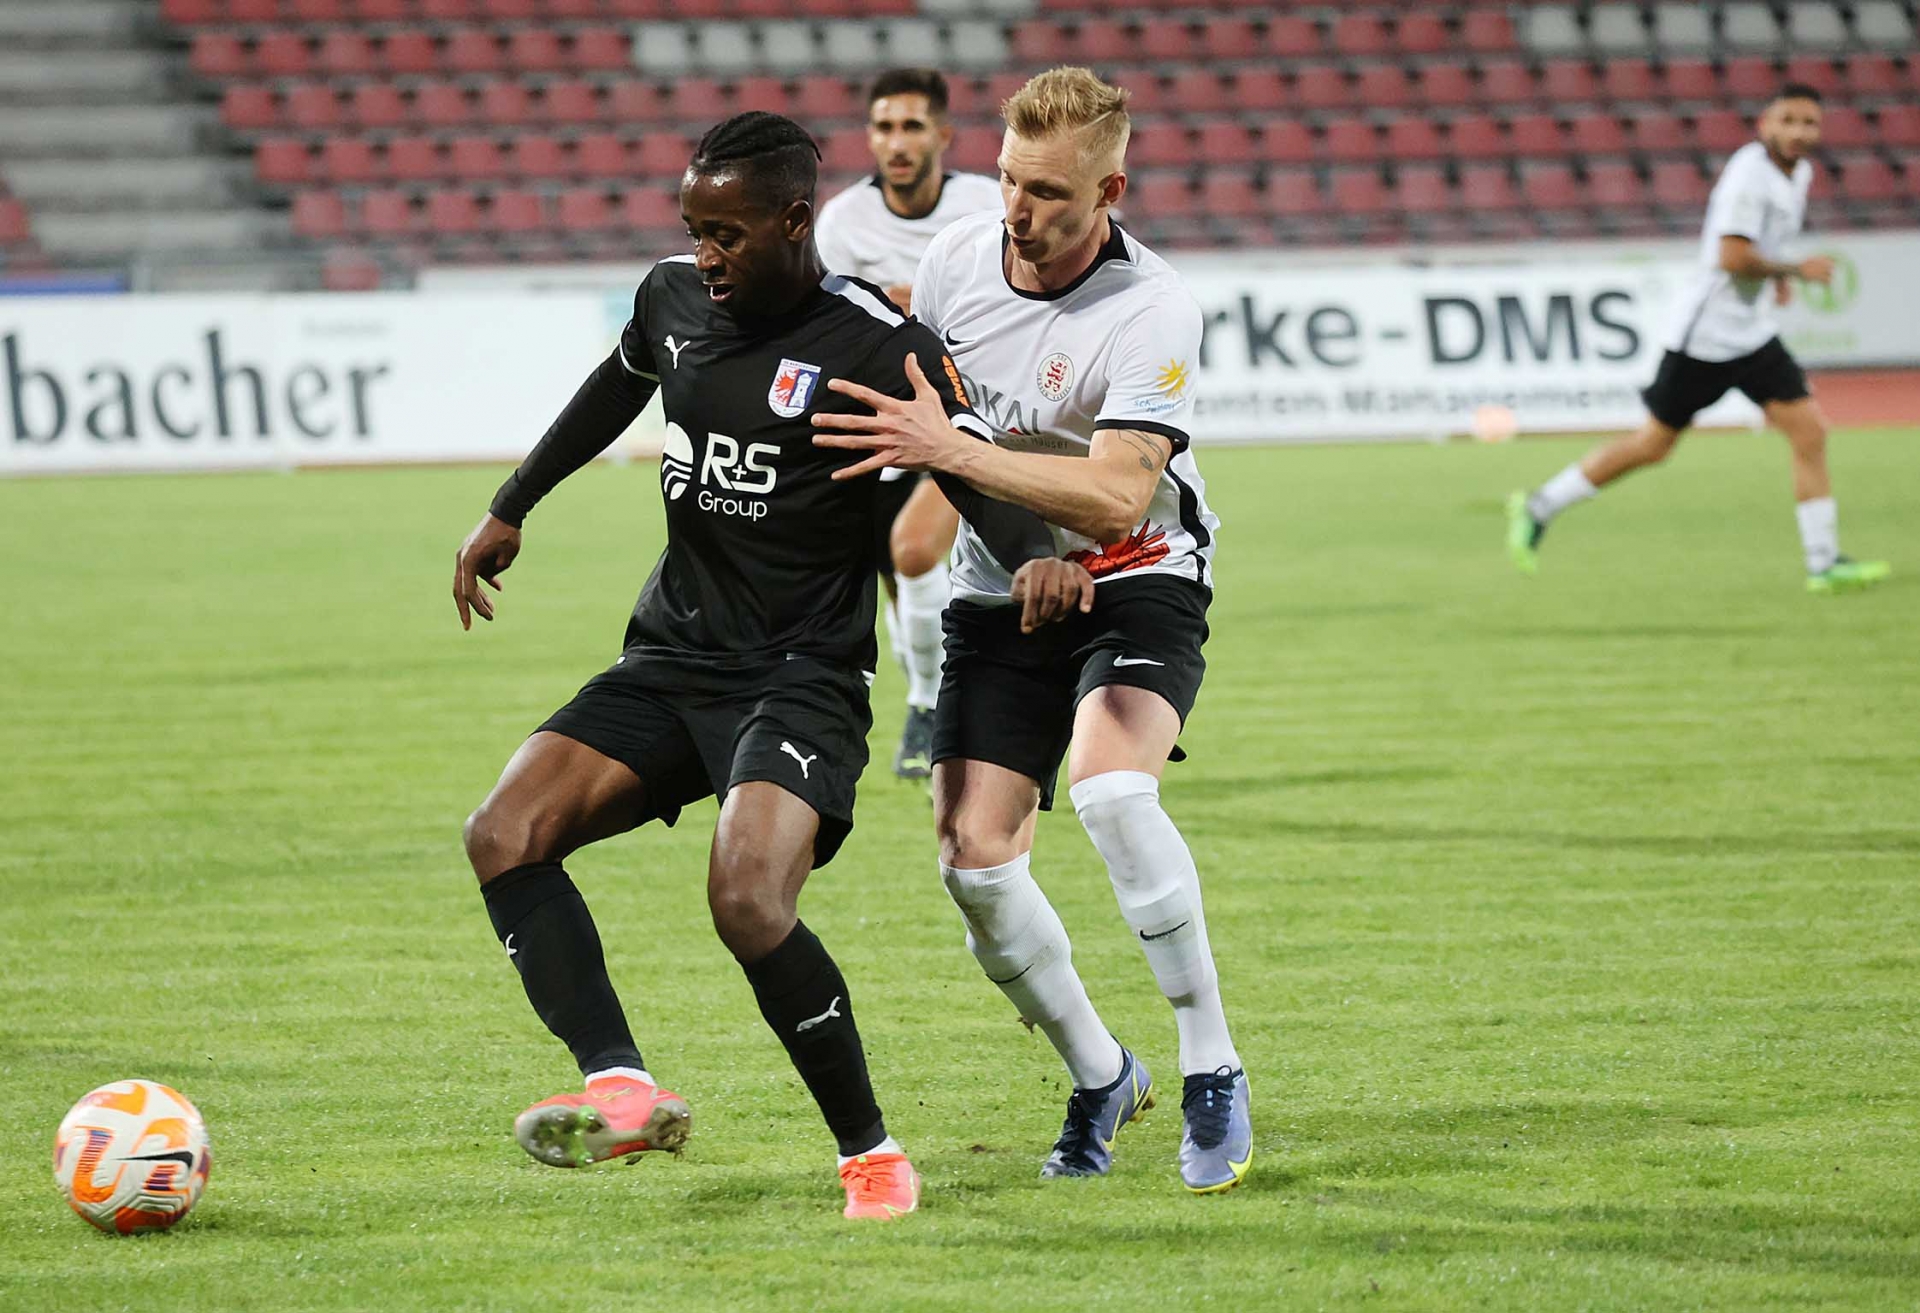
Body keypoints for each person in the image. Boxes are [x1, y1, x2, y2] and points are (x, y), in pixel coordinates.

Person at [451, 111, 1056, 1222]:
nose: (705, 255)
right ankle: (620, 1085)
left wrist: (1038, 560)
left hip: (800, 676)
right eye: (693, 230)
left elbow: (972, 469)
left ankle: (872, 1153)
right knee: (503, 833)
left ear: (794, 221)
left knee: (745, 896)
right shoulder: (672, 300)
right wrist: (512, 504)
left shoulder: (878, 344)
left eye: (725, 233)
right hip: (671, 655)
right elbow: (614, 386)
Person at [813, 67, 1252, 1195]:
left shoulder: (1152, 308)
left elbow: (1114, 497)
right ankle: (1103, 1073)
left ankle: (1211, 1063)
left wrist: (954, 452)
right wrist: (1015, 548)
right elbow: (932, 423)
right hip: (997, 587)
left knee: (1114, 790)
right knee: (973, 864)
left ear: (1110, 190)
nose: (1018, 207)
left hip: (1139, 571)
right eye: (1010, 178)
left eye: (1049, 190)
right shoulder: (957, 260)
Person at [1507, 83, 1889, 594]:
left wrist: (1775, 276)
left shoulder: (1798, 173)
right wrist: (1794, 270)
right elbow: (1731, 257)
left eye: (1809, 123)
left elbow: (1759, 245)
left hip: (1750, 335)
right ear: (1765, 125)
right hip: (1705, 339)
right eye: (1789, 120)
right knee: (1652, 445)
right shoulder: (1748, 178)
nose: (1799, 132)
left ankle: (1823, 565)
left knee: (1809, 432)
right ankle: (1541, 505)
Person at [814, 68, 1003, 779]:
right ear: (870, 138)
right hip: (880, 420)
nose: (898, 142)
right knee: (901, 588)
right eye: (885, 127)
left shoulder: (985, 205)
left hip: (972, 412)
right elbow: (830, 324)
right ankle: (929, 696)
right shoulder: (843, 222)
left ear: (943, 135)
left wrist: (911, 299)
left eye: (913, 126)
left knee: (916, 551)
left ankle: (931, 707)